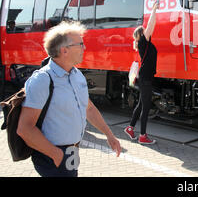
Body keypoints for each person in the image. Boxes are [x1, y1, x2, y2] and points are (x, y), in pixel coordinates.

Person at [17, 21, 121, 177]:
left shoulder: (77, 75)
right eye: (80, 44)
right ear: (64, 50)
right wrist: (56, 154)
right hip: (51, 156)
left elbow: (89, 108)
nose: (84, 48)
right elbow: (25, 128)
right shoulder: (42, 80)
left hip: (71, 152)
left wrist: (109, 135)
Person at [124, 0, 159, 145]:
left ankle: (130, 128)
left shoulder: (144, 44)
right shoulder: (144, 43)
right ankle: (143, 136)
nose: (148, 31)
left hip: (145, 78)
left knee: (140, 105)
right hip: (145, 79)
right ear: (142, 34)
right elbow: (151, 25)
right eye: (145, 31)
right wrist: (154, 10)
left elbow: (151, 27)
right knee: (146, 108)